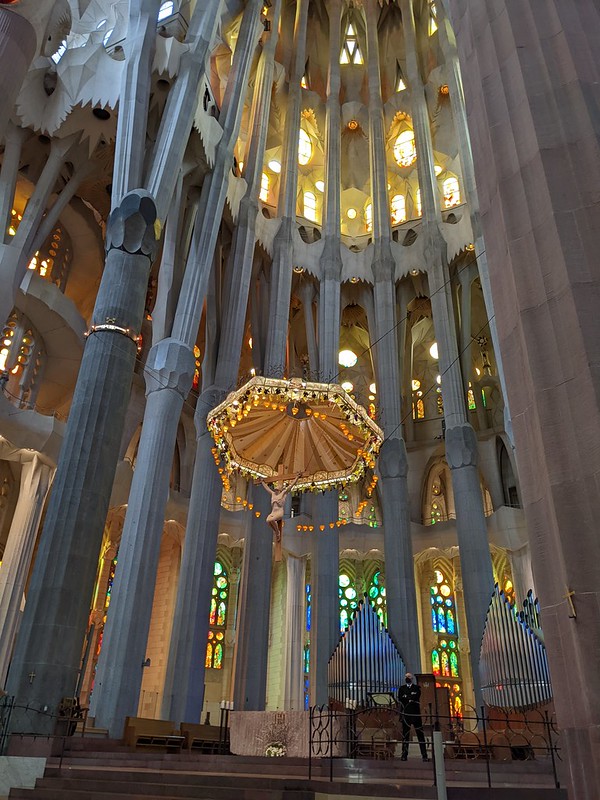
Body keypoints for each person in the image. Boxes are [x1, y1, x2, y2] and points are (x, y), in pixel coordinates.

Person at [261, 473, 301, 560]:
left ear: (279, 490)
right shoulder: (272, 494)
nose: (275, 490)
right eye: (274, 489)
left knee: (271, 520)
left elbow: (290, 486)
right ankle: (277, 532)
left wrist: (297, 478)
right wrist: (262, 482)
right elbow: (267, 488)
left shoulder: (283, 493)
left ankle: (277, 533)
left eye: (276, 489)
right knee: (268, 520)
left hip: (279, 512)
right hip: (273, 512)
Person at [397, 673, 429, 761]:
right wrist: (409, 698)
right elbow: (400, 698)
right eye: (406, 677)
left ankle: (424, 755)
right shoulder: (401, 688)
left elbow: (415, 696)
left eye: (409, 677)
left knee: (420, 735)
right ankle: (404, 755)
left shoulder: (417, 687)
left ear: (412, 678)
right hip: (406, 714)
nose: (407, 678)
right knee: (405, 735)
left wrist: (407, 697)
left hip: (415, 714)